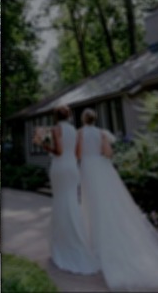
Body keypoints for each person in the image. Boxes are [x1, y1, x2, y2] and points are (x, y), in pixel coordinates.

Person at [77, 108, 158, 291]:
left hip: (87, 169)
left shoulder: (79, 133)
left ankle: (94, 244)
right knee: (109, 203)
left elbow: (77, 154)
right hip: (101, 168)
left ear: (83, 120)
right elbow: (108, 153)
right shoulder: (101, 133)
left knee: (92, 205)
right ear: (95, 119)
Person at [43, 105, 99, 274]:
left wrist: (45, 146)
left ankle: (63, 245)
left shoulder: (56, 129)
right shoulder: (75, 131)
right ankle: (76, 240)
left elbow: (58, 151)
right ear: (68, 116)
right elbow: (78, 153)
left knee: (60, 203)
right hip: (72, 167)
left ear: (55, 116)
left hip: (60, 167)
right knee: (71, 202)